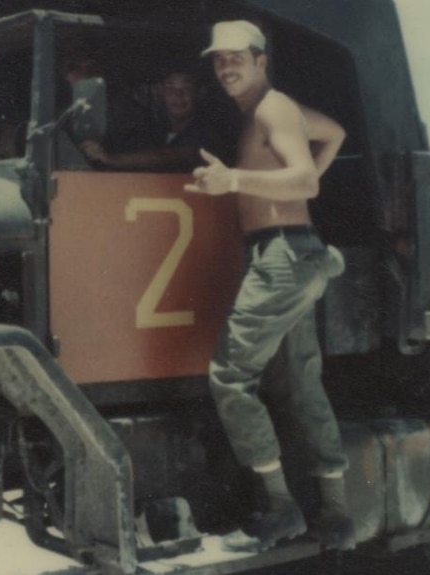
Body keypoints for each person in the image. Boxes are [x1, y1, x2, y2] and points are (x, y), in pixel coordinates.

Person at [184, 20, 354, 553]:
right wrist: (307, 185)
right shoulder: (276, 110)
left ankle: (280, 507)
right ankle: (337, 514)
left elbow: (302, 179)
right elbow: (335, 134)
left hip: (281, 256)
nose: (226, 67)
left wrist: (235, 180)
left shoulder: (271, 109)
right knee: (302, 384)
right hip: (295, 251)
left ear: (262, 60)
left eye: (237, 57)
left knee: (231, 378)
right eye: (218, 60)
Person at [78, 66, 216, 171]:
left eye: (187, 86)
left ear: (199, 93)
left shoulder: (207, 131)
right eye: (170, 86)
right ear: (159, 91)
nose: (178, 94)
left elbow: (171, 156)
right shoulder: (153, 128)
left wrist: (111, 159)